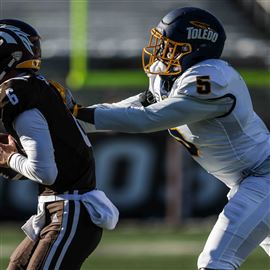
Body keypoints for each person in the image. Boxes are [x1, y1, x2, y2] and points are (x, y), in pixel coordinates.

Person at [69, 7, 270, 270]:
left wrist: (79, 114)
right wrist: (73, 120)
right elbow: (134, 106)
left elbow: (148, 119)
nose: (160, 52)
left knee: (216, 261)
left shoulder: (212, 79)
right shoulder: (171, 76)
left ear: (195, 48)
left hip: (262, 177)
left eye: (171, 46)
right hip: (247, 180)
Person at [0, 19, 119, 270]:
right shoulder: (35, 88)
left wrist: (9, 158)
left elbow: (45, 171)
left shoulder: (21, 95)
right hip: (58, 208)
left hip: (69, 210)